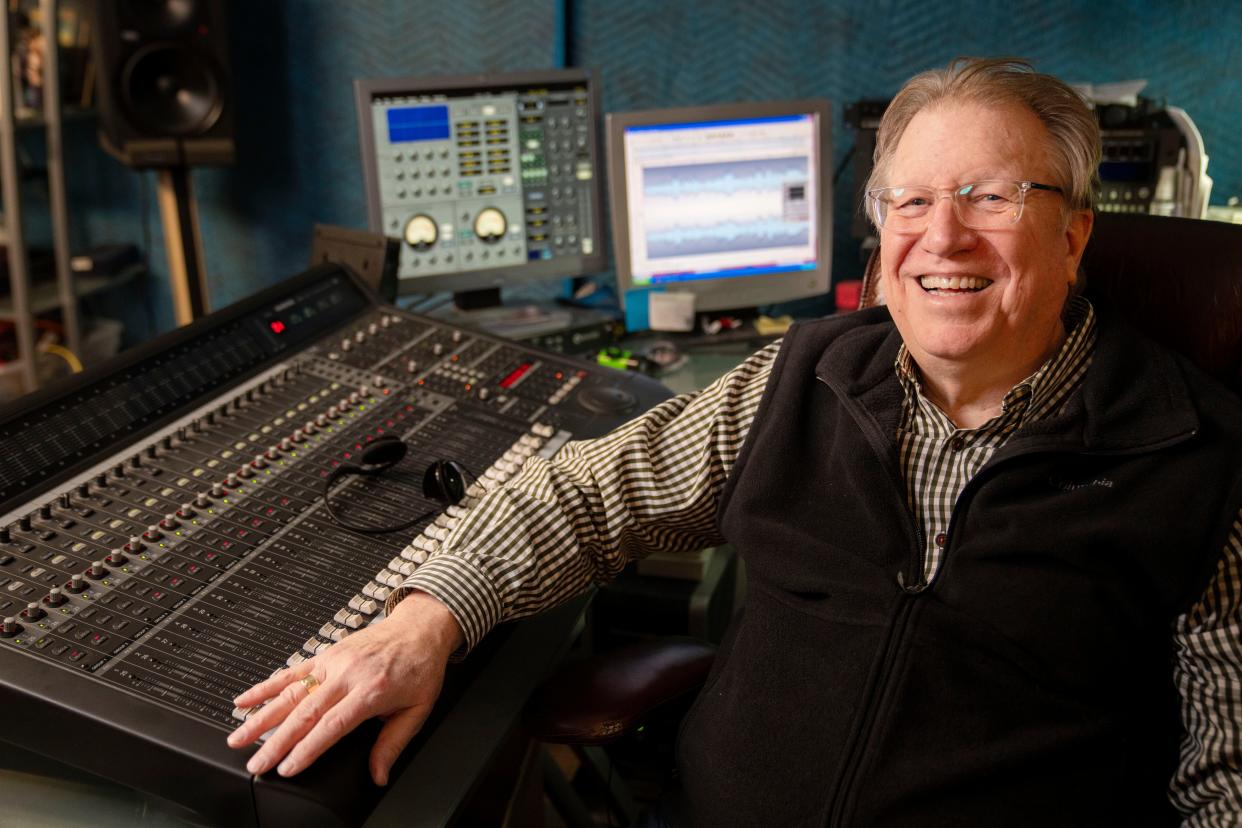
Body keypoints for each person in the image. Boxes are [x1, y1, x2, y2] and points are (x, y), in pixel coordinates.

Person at [227, 58, 1242, 824]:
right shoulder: (804, 374)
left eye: (990, 196)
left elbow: (1224, 775)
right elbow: (584, 495)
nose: (944, 237)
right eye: (912, 202)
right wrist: (424, 622)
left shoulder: (1201, 464)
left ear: (1073, 235)